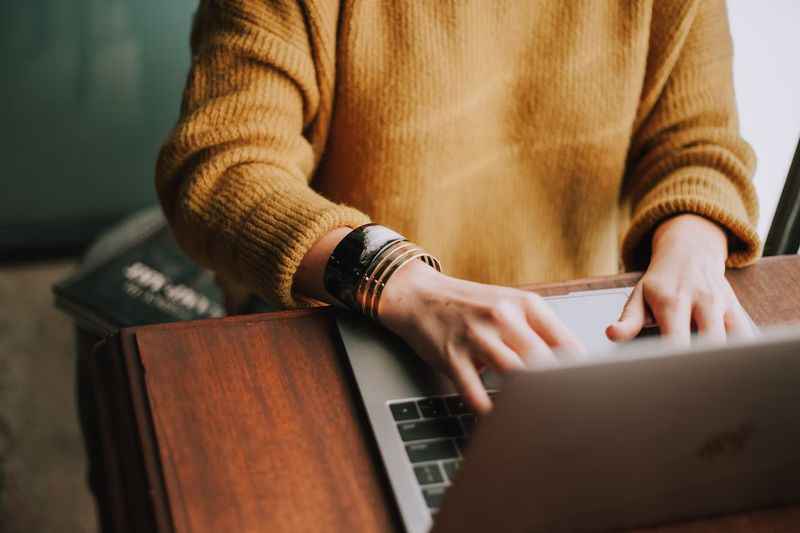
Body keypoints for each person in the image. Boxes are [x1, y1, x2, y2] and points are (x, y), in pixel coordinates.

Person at [156, 0, 759, 414]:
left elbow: (698, 143)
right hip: (348, 325)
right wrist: (396, 281)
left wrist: (695, 241)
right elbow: (221, 168)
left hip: (575, 341)